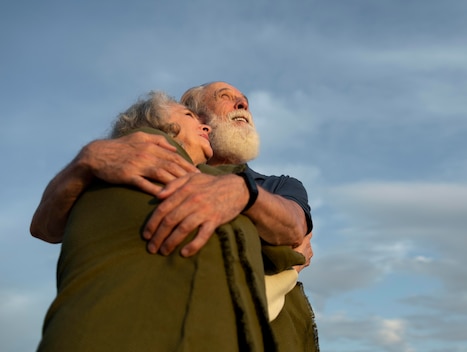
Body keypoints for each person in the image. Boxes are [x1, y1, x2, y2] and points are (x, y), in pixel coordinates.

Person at [31, 82, 319, 351]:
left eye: (244, 101)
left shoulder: (277, 185)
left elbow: (295, 230)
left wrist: (243, 193)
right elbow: (45, 228)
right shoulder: (131, 162)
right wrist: (88, 160)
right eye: (225, 97)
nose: (241, 103)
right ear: (197, 117)